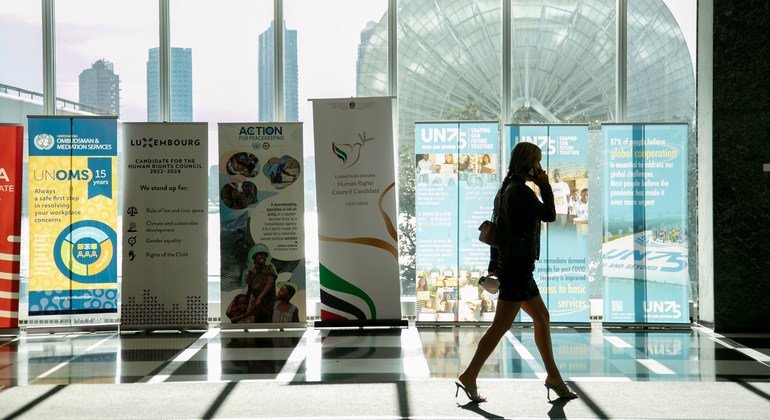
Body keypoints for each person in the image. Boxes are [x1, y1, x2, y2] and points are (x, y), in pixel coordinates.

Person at [456, 141, 578, 403]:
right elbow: (549, 215)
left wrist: (495, 264)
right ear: (528, 164)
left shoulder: (504, 190)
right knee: (501, 325)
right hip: (518, 267)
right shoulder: (520, 192)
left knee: (541, 318)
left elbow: (496, 230)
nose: (540, 167)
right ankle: (469, 375)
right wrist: (544, 185)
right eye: (537, 162)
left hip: (515, 266)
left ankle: (553, 376)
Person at [244, 244, 278, 323]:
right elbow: (249, 288)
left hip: (269, 304)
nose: (262, 256)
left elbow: (270, 283)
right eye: (259, 254)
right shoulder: (251, 271)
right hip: (257, 305)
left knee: (270, 323)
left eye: (264, 255)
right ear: (255, 257)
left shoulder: (270, 268)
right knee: (257, 324)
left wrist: (259, 298)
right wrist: (245, 300)